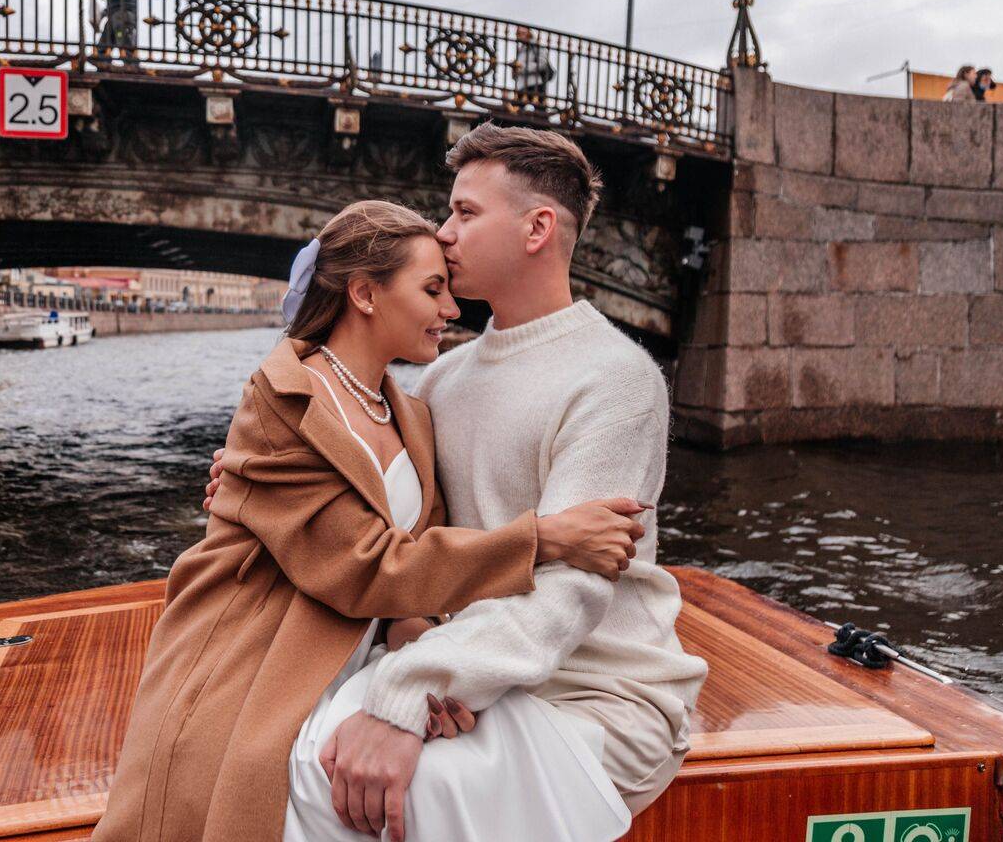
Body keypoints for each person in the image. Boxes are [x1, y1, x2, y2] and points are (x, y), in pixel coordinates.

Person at [208, 124, 709, 841]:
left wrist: (409, 689)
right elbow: (392, 514)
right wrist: (256, 484)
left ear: (537, 228)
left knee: (338, 789)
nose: (443, 234)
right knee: (284, 757)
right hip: (465, 671)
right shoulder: (442, 379)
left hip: (593, 692)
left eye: (465, 213)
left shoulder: (617, 380)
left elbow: (569, 594)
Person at [93, 200, 650, 842]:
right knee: (375, 787)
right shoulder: (283, 397)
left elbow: (422, 548)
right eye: (432, 290)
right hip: (263, 658)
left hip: (364, 650)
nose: (451, 309)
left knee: (470, 757)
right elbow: (364, 565)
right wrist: (543, 537)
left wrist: (423, 646)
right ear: (364, 294)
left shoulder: (414, 410)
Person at [512, 25, 554, 109]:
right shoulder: (521, 49)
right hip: (522, 85)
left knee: (540, 111)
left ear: (529, 34)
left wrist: (522, 67)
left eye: (523, 33)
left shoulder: (536, 46)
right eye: (518, 33)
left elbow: (542, 63)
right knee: (514, 111)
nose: (520, 36)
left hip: (535, 84)